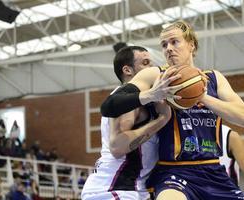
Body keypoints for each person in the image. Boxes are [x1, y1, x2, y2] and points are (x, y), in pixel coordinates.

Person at [100, 20, 244, 200]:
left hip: (213, 170)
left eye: (174, 42)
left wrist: (202, 96)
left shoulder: (214, 78)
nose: (168, 48)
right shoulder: (156, 75)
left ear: (191, 45)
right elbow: (110, 105)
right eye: (164, 44)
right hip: (174, 172)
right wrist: (152, 94)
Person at [81, 46, 174, 200]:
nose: (151, 69)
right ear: (127, 70)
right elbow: (117, 147)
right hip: (114, 189)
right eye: (145, 63)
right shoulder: (129, 100)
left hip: (131, 189)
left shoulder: (145, 100)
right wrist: (161, 120)